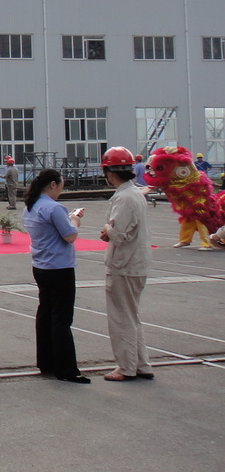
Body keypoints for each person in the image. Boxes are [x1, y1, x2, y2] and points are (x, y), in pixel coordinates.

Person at [23, 168, 88, 384]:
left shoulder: (31, 206)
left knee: (45, 313)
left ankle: (46, 362)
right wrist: (75, 220)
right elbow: (70, 236)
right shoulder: (54, 207)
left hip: (40, 265)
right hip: (59, 266)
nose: (60, 189)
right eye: (61, 185)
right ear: (53, 185)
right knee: (61, 317)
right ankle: (66, 368)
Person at [98, 147, 155, 381]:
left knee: (121, 318)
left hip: (124, 264)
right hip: (137, 262)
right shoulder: (136, 194)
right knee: (132, 316)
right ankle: (141, 364)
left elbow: (119, 235)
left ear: (110, 173)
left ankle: (126, 367)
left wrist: (107, 229)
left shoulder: (123, 197)